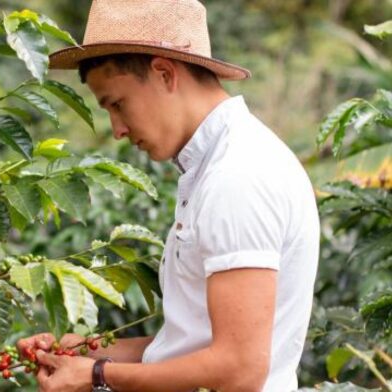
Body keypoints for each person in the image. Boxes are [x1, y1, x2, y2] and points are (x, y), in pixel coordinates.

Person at [16, 1, 320, 391]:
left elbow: (240, 370)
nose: (117, 130)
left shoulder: (238, 176)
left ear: (163, 73)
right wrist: (85, 354)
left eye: (117, 104)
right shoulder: (217, 164)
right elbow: (190, 351)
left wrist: (96, 375)